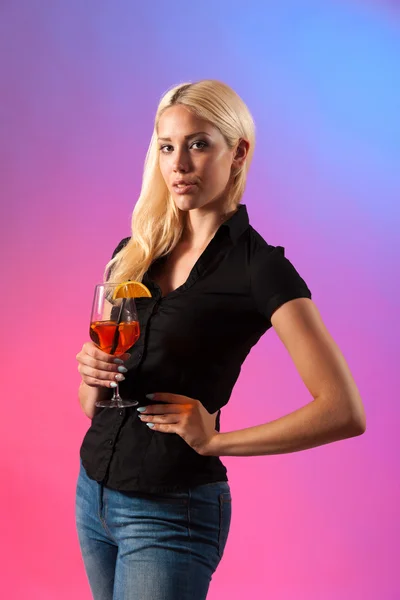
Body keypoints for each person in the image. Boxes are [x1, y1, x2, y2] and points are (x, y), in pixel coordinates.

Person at [75, 79, 366, 600]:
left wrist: (216, 441)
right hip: (91, 496)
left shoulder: (260, 268)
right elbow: (91, 406)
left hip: (169, 513)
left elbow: (345, 410)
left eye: (198, 143)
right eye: (167, 146)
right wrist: (91, 375)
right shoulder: (135, 253)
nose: (179, 164)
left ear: (238, 152)